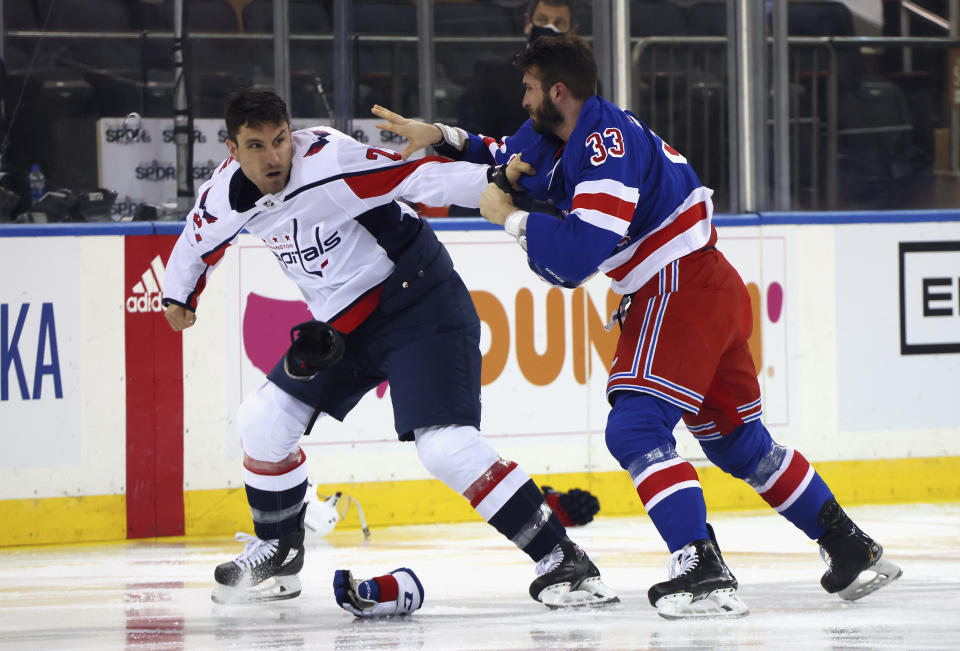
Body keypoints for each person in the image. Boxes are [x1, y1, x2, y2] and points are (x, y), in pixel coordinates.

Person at [372, 34, 902, 619]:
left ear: (558, 91)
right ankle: (850, 547)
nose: (521, 100)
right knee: (736, 442)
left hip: (678, 288)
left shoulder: (604, 144)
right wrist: (442, 138)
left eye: (528, 89)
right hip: (705, 286)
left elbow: (576, 257)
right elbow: (506, 156)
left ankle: (699, 564)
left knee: (635, 427)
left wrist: (512, 220)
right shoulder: (562, 132)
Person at [160, 88, 617, 610]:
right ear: (232, 150)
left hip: (419, 300)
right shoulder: (222, 195)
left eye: (281, 140)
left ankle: (562, 558)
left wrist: (497, 181)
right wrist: (179, 295)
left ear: (292, 133)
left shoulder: (329, 160)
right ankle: (280, 551)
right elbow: (197, 243)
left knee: (444, 446)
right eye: (257, 146)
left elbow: (416, 176)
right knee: (261, 422)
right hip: (344, 326)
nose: (273, 157)